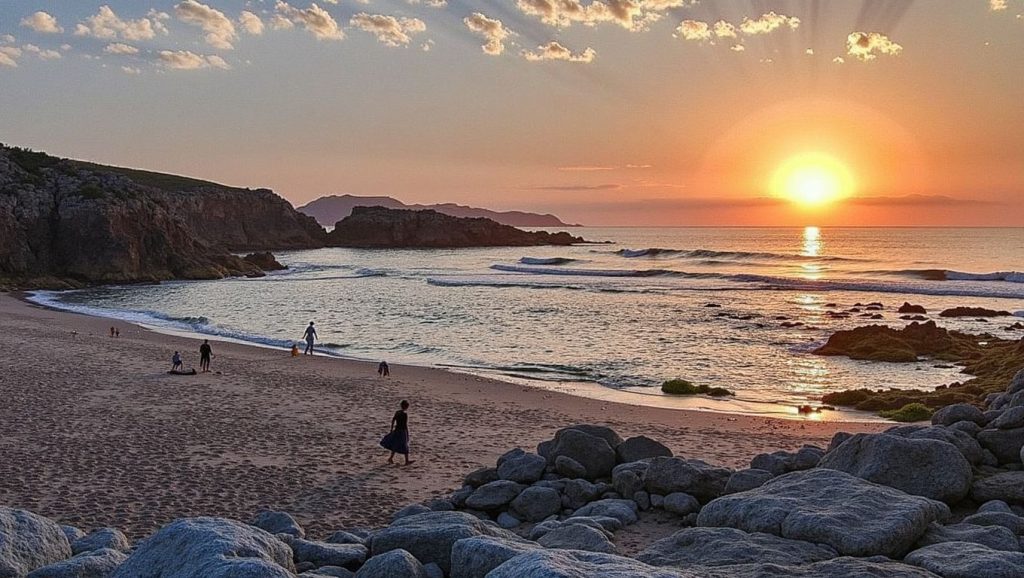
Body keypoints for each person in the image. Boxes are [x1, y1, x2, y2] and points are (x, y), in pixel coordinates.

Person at [380, 400, 413, 465]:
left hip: (396, 430)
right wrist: (407, 432)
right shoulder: (404, 414)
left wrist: (391, 428)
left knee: (395, 445)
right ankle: (406, 461)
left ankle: (391, 458)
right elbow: (405, 424)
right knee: (405, 445)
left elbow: (393, 420)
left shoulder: (397, 412)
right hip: (402, 431)